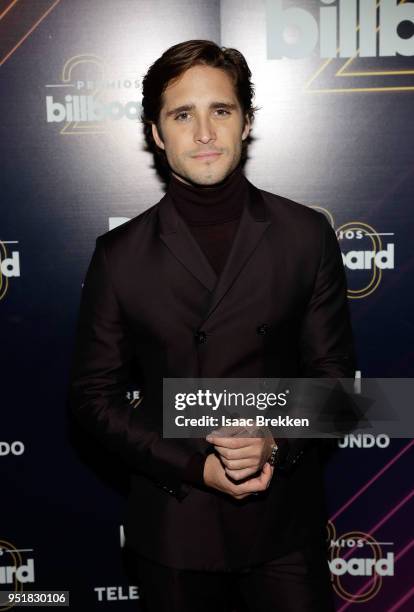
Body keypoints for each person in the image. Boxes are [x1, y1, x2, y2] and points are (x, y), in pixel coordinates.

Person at [69, 40, 356, 612]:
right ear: (156, 133)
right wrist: (197, 465)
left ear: (246, 122)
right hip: (175, 530)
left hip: (284, 531)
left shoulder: (306, 235)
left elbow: (336, 384)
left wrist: (274, 442)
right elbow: (92, 398)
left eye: (220, 111)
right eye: (182, 115)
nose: (203, 132)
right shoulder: (119, 255)